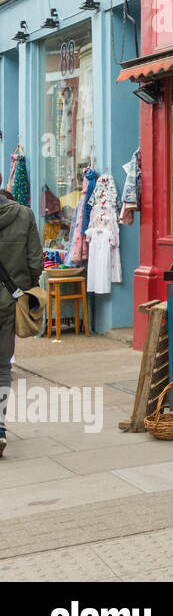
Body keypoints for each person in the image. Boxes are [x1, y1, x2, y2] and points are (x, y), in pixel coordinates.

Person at [0, 187, 44, 457]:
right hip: (8, 303)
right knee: (3, 368)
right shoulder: (24, 215)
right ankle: (0, 428)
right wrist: (21, 290)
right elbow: (36, 262)